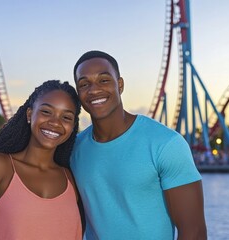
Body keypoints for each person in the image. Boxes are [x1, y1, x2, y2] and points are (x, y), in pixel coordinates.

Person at [70, 50, 207, 239]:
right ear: (78, 93)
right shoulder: (74, 149)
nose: (94, 90)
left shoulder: (166, 144)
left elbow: (194, 231)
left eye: (103, 80)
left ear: (120, 84)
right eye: (84, 84)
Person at [0, 80, 82, 240]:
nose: (55, 122)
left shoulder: (71, 177)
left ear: (73, 126)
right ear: (29, 114)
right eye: (46, 112)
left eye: (66, 117)